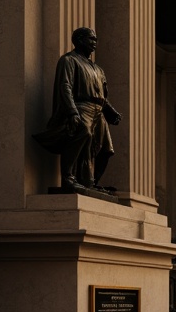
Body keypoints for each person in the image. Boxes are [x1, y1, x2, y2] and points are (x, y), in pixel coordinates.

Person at [33, 27, 122, 193]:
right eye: (91, 39)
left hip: (98, 111)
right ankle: (68, 179)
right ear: (79, 40)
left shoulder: (98, 69)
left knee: (106, 149)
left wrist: (111, 111)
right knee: (83, 134)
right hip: (81, 107)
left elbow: (101, 96)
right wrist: (72, 111)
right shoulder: (69, 60)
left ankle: (90, 183)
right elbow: (65, 86)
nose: (95, 43)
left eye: (95, 39)